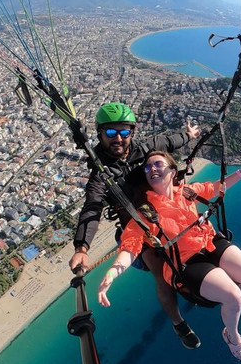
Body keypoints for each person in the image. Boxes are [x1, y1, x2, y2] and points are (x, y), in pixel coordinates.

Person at [97, 151, 241, 360]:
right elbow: (131, 247)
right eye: (148, 168)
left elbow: (215, 188)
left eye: (158, 164)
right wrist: (113, 273)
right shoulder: (145, 213)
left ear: (171, 170)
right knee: (232, 296)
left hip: (209, 242)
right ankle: (232, 335)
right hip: (185, 261)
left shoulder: (187, 191)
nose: (152, 170)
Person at [69, 102, 202, 349]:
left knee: (198, 238)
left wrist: (189, 135)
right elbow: (92, 208)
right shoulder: (101, 174)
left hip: (164, 209)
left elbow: (167, 142)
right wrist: (82, 247)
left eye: (123, 132)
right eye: (111, 133)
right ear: (100, 134)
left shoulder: (142, 150)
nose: (118, 138)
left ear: (132, 132)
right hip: (138, 228)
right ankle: (178, 323)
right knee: (161, 271)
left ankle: (202, 284)